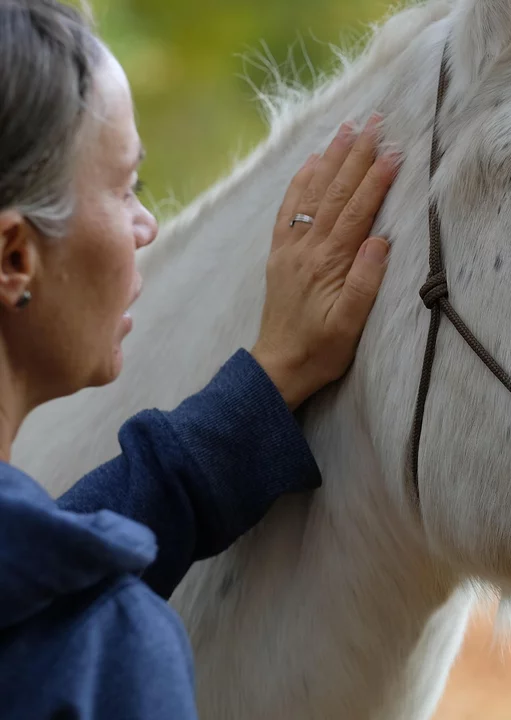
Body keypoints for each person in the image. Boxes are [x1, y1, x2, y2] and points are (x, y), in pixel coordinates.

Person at [0, 1, 399, 717]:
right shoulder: (108, 660)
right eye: (126, 189)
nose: (145, 226)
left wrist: (263, 389)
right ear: (14, 258)